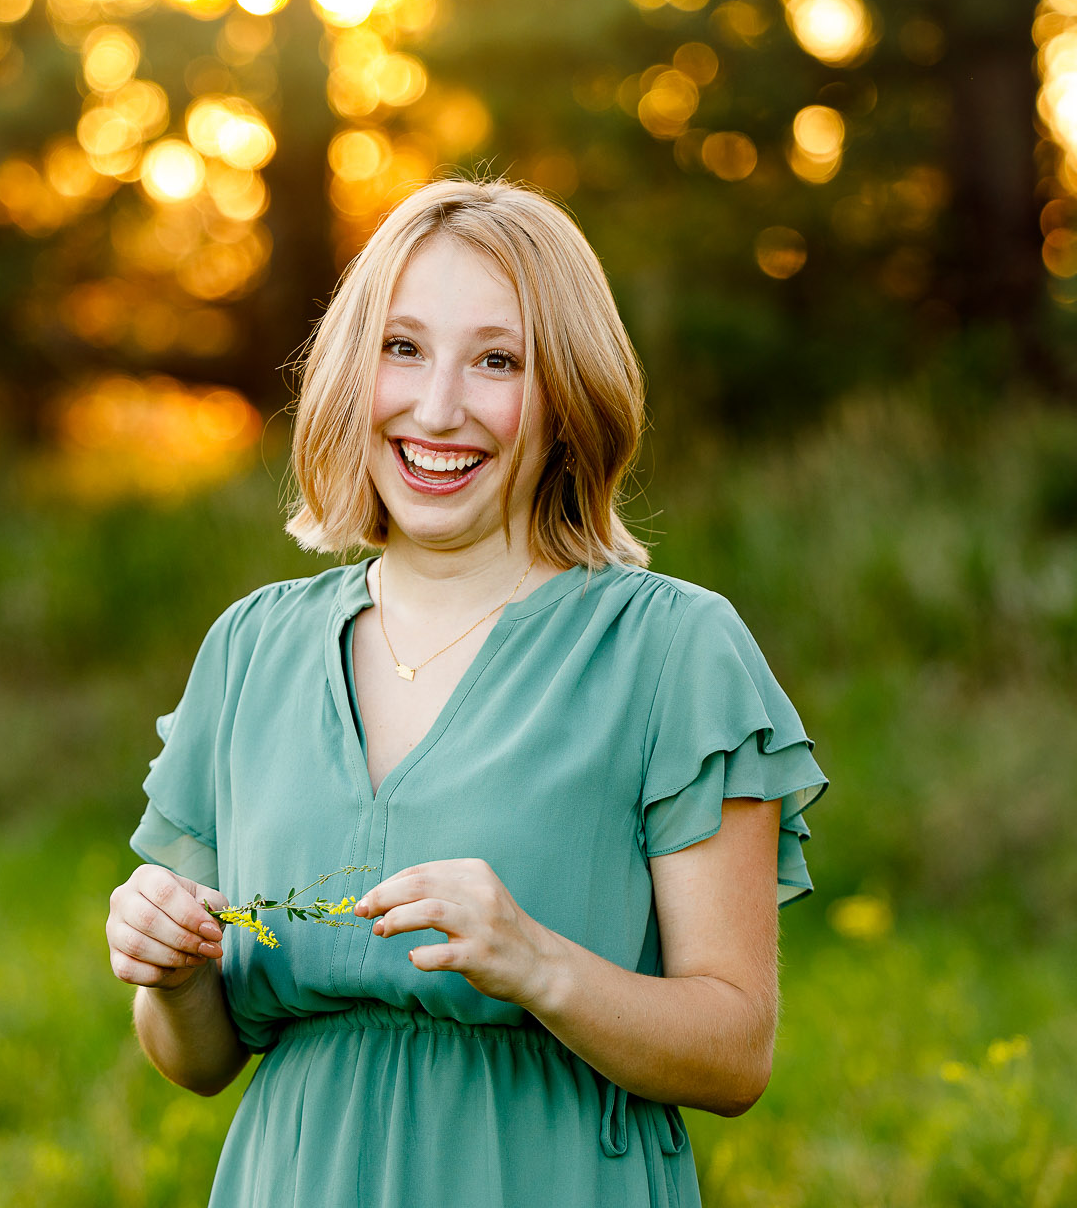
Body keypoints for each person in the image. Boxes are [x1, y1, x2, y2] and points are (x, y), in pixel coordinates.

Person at [104, 177, 828, 1206]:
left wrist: (536, 960)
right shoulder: (251, 648)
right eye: (402, 348)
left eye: (498, 360)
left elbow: (734, 1050)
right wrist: (170, 974)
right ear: (355, 372)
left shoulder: (671, 648)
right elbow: (201, 1057)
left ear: (566, 395)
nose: (436, 407)